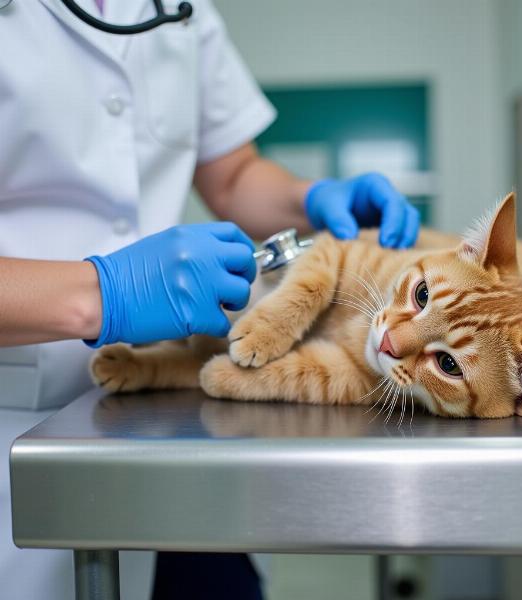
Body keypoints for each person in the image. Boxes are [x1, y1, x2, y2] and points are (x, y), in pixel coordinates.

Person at [0, 1, 420, 599]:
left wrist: (312, 197)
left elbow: (230, 173)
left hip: (162, 423)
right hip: (17, 426)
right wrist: (103, 292)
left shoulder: (176, 9)